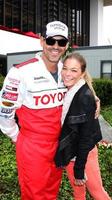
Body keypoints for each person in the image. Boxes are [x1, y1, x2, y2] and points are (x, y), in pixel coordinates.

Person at [0, 21, 69, 200]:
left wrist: (96, 99)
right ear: (41, 41)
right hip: (32, 146)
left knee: (51, 193)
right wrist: (17, 137)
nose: (56, 46)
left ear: (67, 45)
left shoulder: (68, 72)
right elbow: (5, 111)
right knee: (34, 195)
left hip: (59, 144)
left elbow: (82, 92)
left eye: (61, 42)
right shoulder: (20, 72)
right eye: (51, 41)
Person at [54, 53, 111, 200]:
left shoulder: (85, 97)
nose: (67, 74)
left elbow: (86, 138)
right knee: (78, 194)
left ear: (82, 73)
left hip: (83, 155)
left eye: (74, 70)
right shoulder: (67, 89)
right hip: (70, 151)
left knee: (98, 193)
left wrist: (79, 169)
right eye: (65, 68)